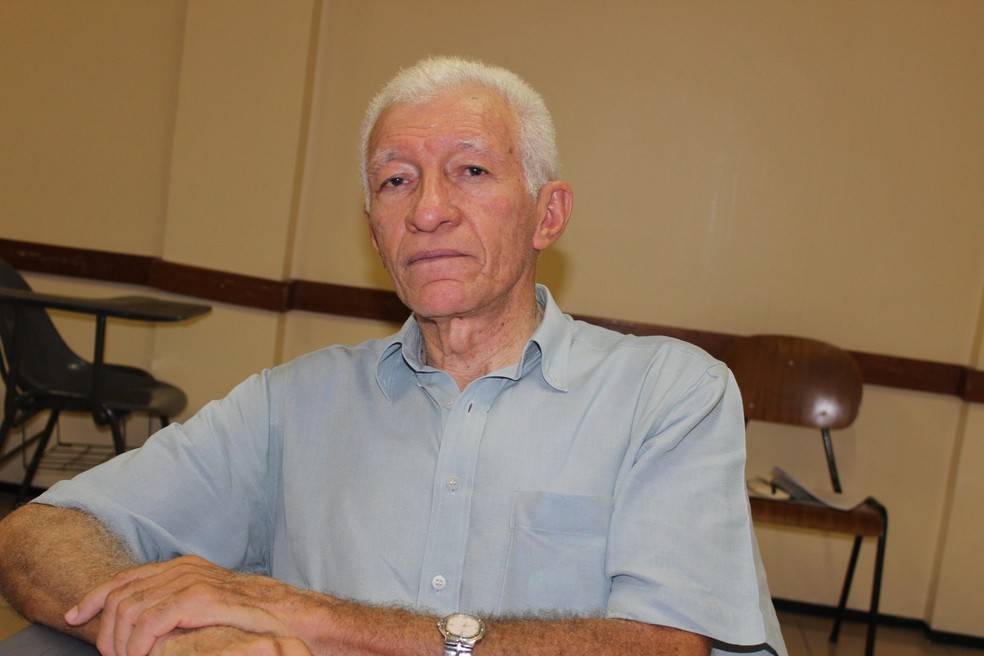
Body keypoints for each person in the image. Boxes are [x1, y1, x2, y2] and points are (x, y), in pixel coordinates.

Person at [0, 57, 786, 656]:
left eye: (471, 171)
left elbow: (662, 646)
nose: (428, 210)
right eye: (396, 181)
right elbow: (39, 534)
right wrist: (188, 637)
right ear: (375, 232)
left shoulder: (666, 394)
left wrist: (309, 615)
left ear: (548, 215)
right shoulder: (291, 405)